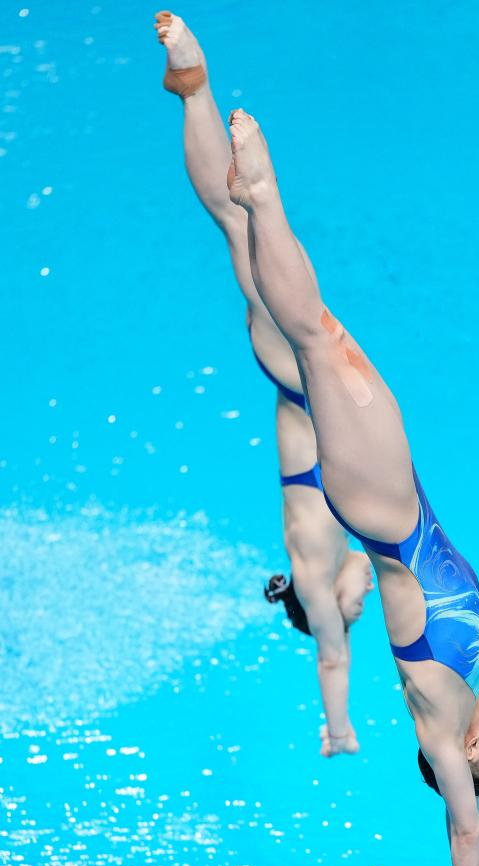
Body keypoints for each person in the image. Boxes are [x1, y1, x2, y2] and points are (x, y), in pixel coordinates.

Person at [223, 107, 479, 866]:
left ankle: (260, 197)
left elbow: (467, 828)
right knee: (320, 335)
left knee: (316, 340)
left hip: (383, 508)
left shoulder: (441, 722)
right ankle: (254, 205)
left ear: (468, 758)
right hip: (394, 495)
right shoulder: (462, 687)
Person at [154, 11, 373, 758]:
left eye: (354, 610)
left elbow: (333, 656)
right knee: (234, 220)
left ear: (323, 611)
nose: (362, 605)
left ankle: (199, 94)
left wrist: (339, 728)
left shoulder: (317, 583)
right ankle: (192, 89)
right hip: (296, 374)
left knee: (240, 216)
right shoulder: (340, 546)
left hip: (297, 370)